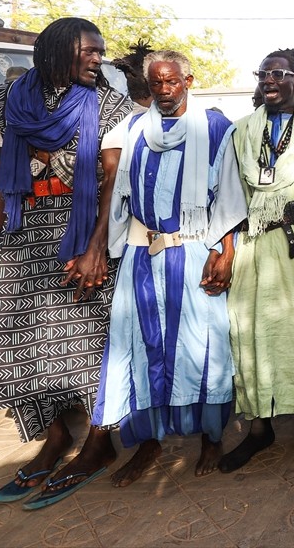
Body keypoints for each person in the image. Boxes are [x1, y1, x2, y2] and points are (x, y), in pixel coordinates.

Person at [0, 18, 132, 508]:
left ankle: (99, 444)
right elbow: (3, 174)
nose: (99, 60)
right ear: (58, 50)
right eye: (91, 51)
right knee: (12, 335)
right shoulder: (7, 99)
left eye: (101, 52)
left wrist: (96, 246)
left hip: (82, 232)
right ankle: (54, 437)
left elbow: (112, 183)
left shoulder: (110, 104)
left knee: (87, 343)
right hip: (23, 227)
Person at [94, 50, 246, 486]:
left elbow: (229, 197)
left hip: (195, 250)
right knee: (143, 347)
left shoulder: (215, 128)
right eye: (157, 83)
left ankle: (212, 438)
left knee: (204, 349)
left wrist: (226, 251)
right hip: (144, 255)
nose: (164, 90)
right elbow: (116, 190)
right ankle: (148, 443)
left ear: (188, 80)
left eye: (172, 82)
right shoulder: (133, 129)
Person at [219, 48, 294, 472]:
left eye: (279, 73)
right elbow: (230, 198)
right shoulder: (240, 132)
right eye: (263, 73)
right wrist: (226, 249)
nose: (269, 79)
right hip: (254, 248)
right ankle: (259, 429)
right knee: (252, 335)